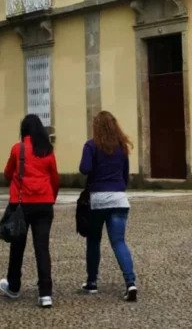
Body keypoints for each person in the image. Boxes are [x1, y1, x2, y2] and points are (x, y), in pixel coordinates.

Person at [0, 114, 60, 308]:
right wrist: (51, 198)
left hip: (22, 204)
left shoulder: (18, 149)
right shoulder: (47, 151)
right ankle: (45, 293)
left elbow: (7, 173)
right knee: (42, 248)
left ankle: (14, 286)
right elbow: (55, 179)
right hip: (44, 204)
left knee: (17, 246)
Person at [79, 111, 138, 302]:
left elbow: (84, 168)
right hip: (119, 199)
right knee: (119, 242)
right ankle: (130, 283)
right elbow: (125, 174)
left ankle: (92, 282)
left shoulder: (91, 145)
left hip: (98, 200)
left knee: (94, 241)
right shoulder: (122, 147)